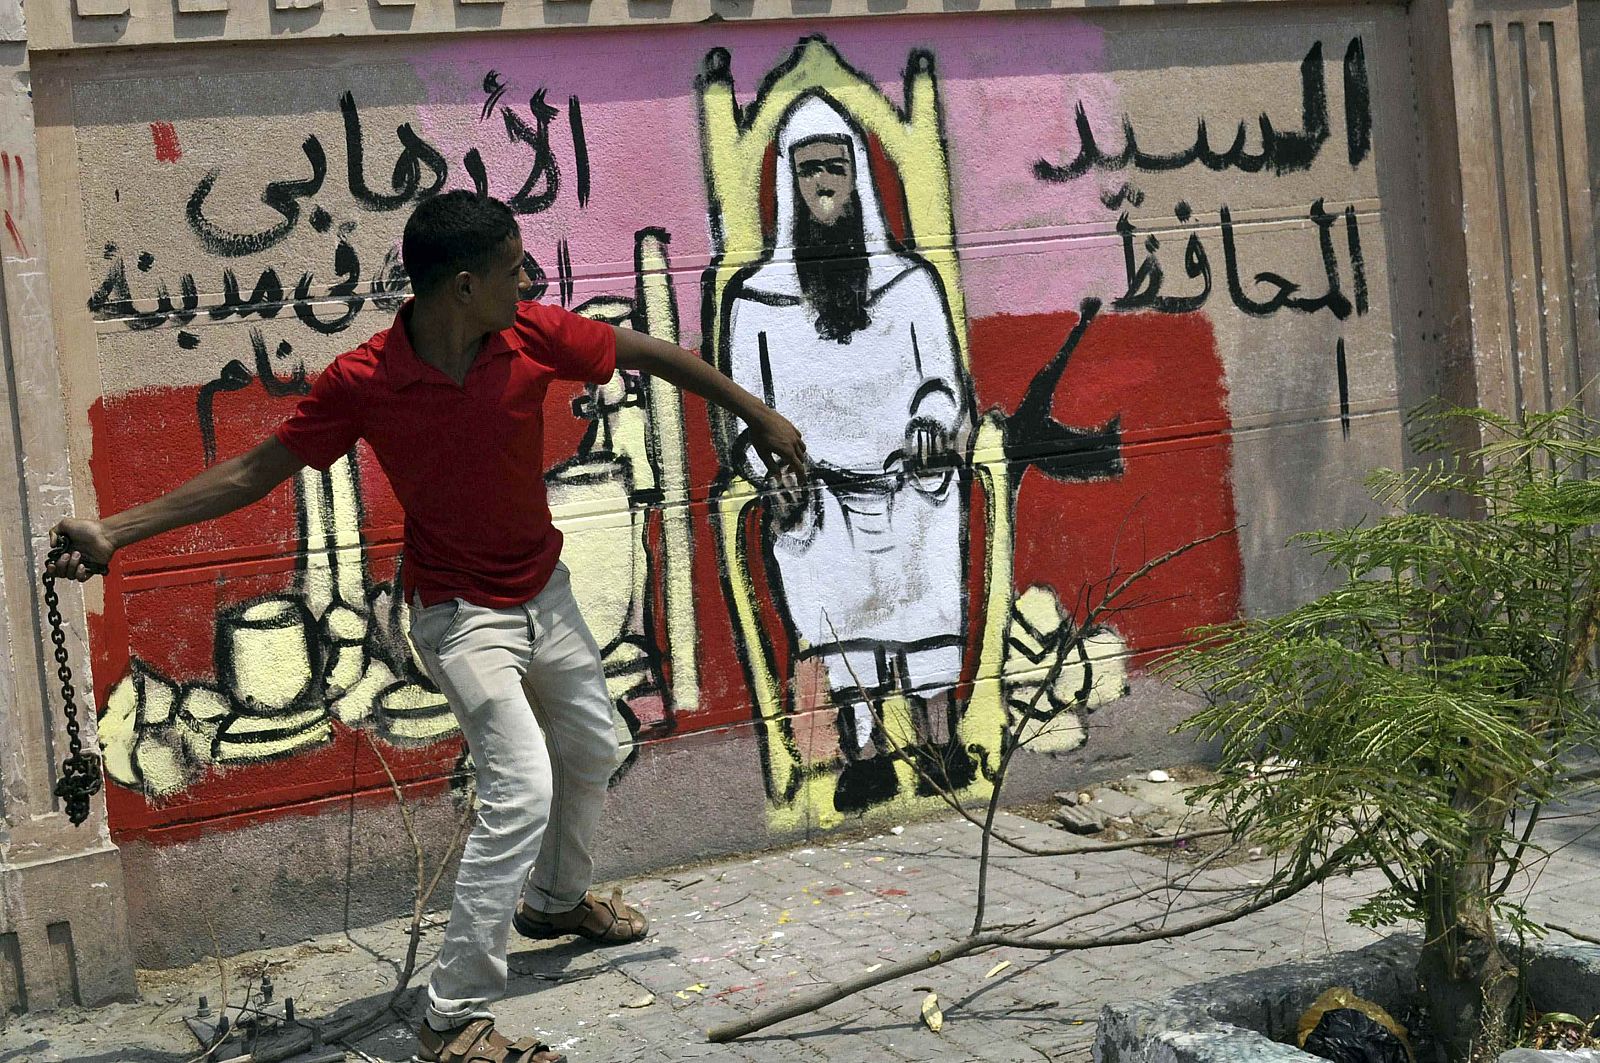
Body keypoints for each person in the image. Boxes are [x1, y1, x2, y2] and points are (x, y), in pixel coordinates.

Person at [48, 190, 807, 1063]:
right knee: (520, 788)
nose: (528, 279)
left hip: (544, 592)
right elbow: (257, 471)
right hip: (458, 615)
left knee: (595, 743)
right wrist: (114, 533)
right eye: (513, 268)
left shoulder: (529, 335)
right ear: (461, 285)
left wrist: (758, 412)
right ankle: (452, 1017)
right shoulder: (367, 381)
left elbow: (648, 351)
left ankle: (556, 901)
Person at [720, 93, 975, 813]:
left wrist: (931, 423)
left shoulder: (910, 284)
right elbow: (743, 415)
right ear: (789, 184)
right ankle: (864, 754)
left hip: (908, 487)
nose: (824, 184)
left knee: (925, 589)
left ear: (857, 175)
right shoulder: (755, 302)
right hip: (821, 497)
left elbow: (943, 386)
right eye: (809, 172)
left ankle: (938, 740)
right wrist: (773, 478)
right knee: (835, 600)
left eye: (835, 167)